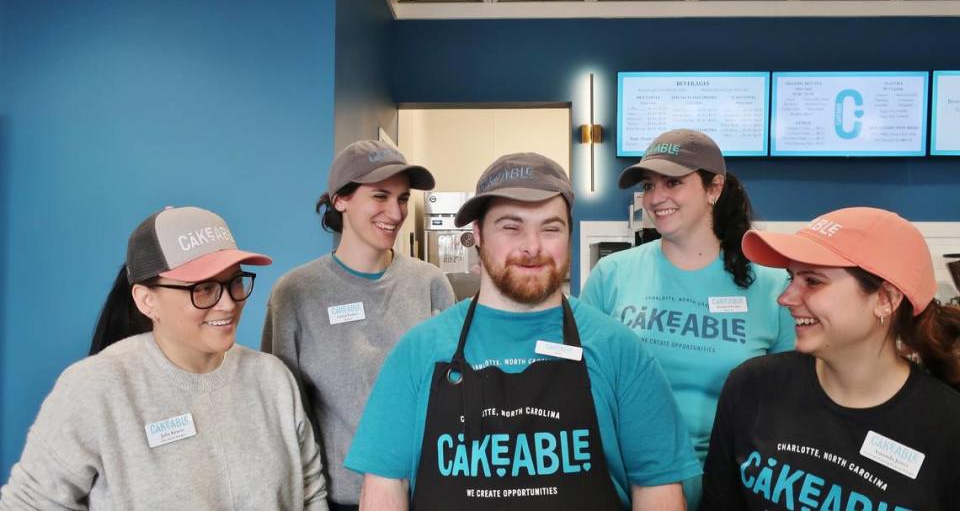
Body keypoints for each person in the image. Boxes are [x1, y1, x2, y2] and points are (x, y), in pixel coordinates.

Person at [345, 153, 701, 511]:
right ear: (478, 235)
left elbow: (658, 493)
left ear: (568, 236)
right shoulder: (418, 352)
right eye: (511, 227)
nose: (532, 246)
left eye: (550, 228)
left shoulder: (620, 350)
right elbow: (383, 492)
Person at [0, 206, 328, 510]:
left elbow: (310, 491)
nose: (228, 303)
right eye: (202, 288)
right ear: (146, 301)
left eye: (235, 282)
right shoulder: (95, 388)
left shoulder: (272, 379)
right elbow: (27, 504)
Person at [580, 128, 794, 509]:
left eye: (673, 182)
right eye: (649, 185)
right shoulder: (611, 275)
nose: (656, 198)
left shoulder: (773, 286)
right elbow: (581, 384)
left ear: (714, 188)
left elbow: (791, 402)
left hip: (733, 483)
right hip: (627, 482)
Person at [701, 207, 960, 510]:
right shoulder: (751, 387)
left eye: (813, 281)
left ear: (885, 299)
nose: (785, 298)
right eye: (791, 277)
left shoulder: (947, 429)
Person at [262, 140, 455, 510]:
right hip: (340, 500)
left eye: (402, 199)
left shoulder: (431, 284)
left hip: (431, 492)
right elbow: (284, 415)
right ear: (340, 199)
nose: (395, 212)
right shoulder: (296, 293)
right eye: (380, 196)